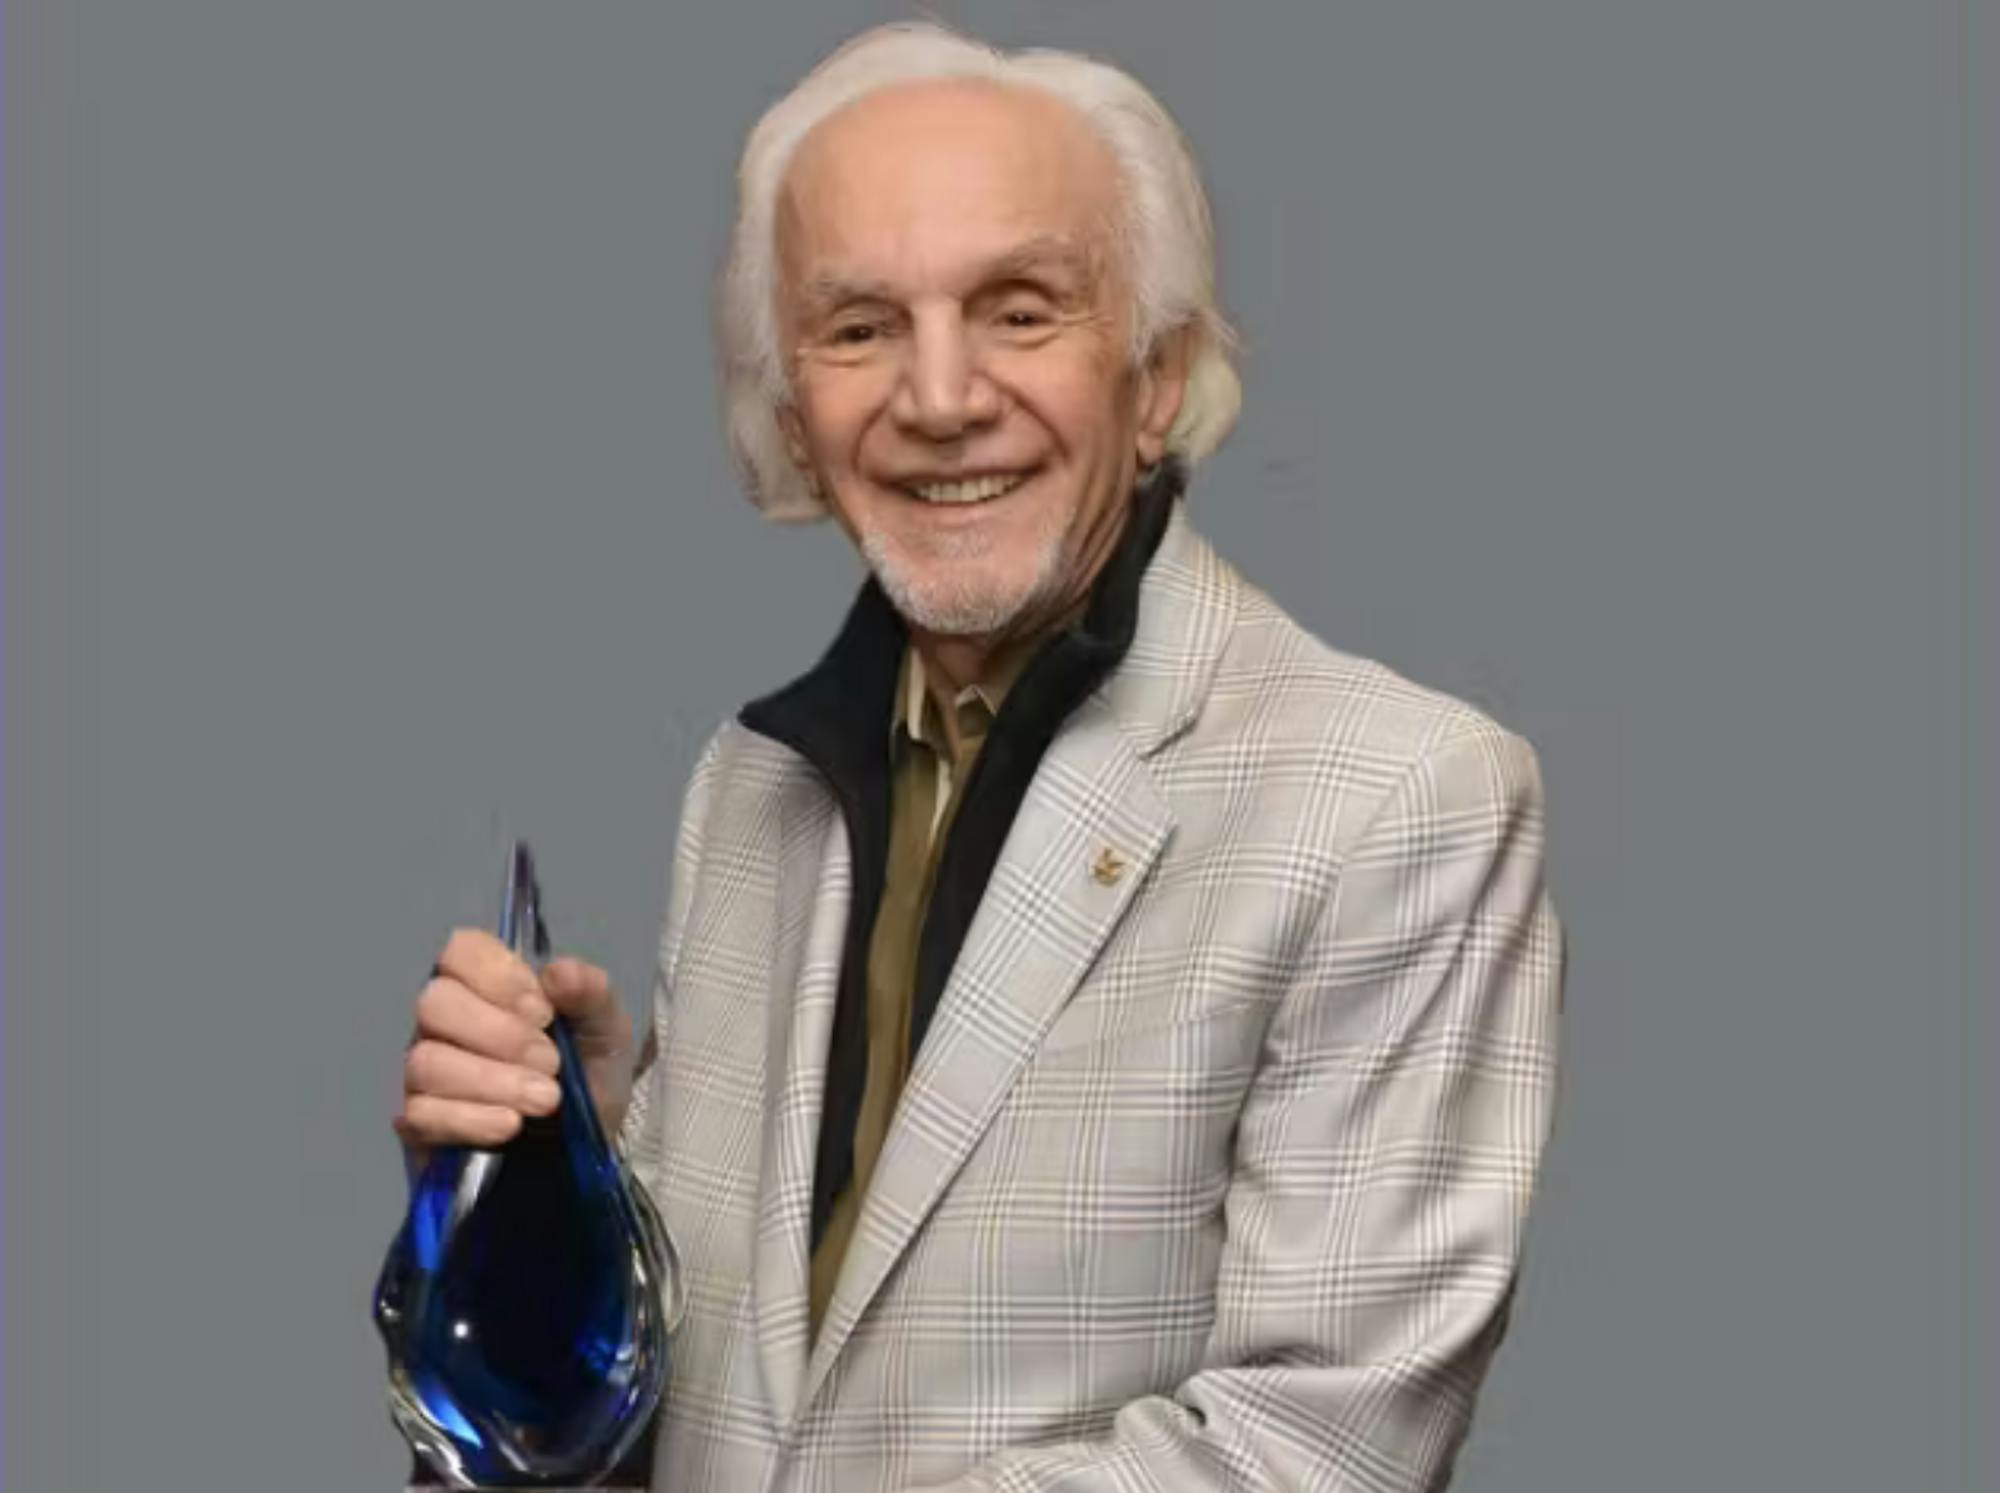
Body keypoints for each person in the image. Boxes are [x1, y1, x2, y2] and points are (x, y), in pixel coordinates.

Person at [395, 21, 1564, 1492]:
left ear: (1156, 376)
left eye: (1019, 310)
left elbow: (1315, 1449)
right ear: (794, 416)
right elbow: (696, 1429)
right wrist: (546, 1194)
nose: (941, 399)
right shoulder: (748, 787)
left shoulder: (1401, 796)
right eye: (859, 328)